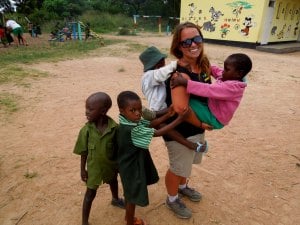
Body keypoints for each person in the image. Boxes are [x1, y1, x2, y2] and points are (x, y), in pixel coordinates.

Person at [161, 21, 215, 219]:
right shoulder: (179, 73)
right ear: (178, 47)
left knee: (188, 164)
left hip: (197, 128)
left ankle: (183, 187)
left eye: (197, 39)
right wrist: (202, 123)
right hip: (179, 130)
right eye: (187, 42)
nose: (193, 45)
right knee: (178, 167)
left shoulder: (203, 64)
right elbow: (180, 108)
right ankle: (172, 198)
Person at [116, 90, 184, 225]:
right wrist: (179, 119)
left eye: (139, 109)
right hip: (131, 168)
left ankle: (128, 218)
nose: (137, 113)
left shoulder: (127, 120)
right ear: (122, 110)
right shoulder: (131, 129)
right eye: (132, 110)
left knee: (130, 194)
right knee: (132, 198)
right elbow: (157, 132)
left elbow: (148, 124)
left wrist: (167, 116)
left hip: (129, 164)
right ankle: (130, 222)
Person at [139, 46, 207, 152]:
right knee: (164, 126)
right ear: (158, 63)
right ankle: (190, 145)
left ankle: (193, 138)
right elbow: (160, 74)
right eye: (163, 61)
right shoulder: (148, 76)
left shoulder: (157, 76)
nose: (164, 63)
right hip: (157, 111)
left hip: (163, 109)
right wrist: (177, 63)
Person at [73, 92, 125, 225]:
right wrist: (83, 170)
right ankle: (85, 222)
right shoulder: (87, 130)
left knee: (113, 181)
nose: (86, 112)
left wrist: (119, 165)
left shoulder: (114, 129)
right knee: (90, 194)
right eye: (86, 108)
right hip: (94, 168)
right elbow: (83, 151)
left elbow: (119, 149)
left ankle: (115, 199)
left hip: (110, 165)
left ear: (102, 111)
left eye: (90, 109)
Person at [171, 53, 252, 129]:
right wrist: (205, 65)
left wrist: (185, 83)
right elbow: (217, 71)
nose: (223, 71)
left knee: (185, 104)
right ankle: (169, 111)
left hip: (215, 118)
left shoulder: (232, 88)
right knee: (185, 102)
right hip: (212, 108)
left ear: (239, 73)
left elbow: (208, 89)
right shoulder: (232, 77)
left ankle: (169, 114)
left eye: (227, 69)